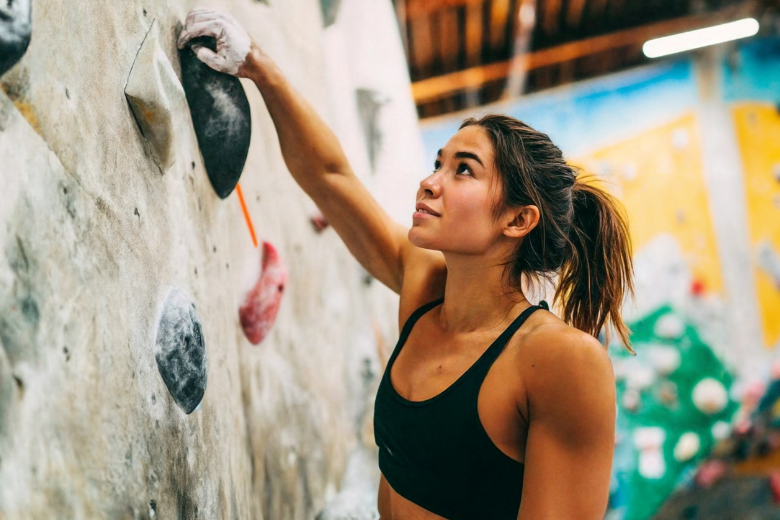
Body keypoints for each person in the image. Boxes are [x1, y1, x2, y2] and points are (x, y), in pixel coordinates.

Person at [178, 8, 634, 519]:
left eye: (464, 170)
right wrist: (260, 68)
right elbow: (331, 178)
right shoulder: (424, 287)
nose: (430, 181)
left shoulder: (559, 361)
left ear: (518, 219)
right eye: (438, 161)